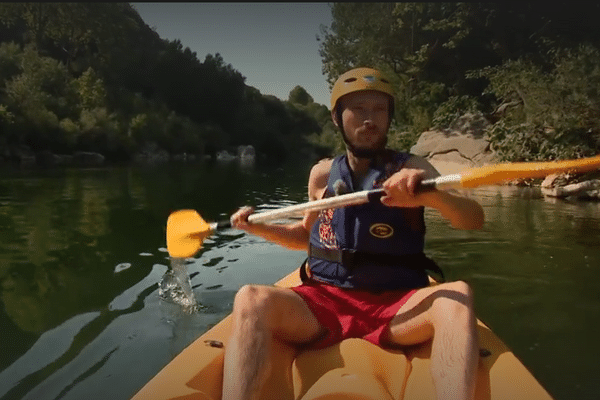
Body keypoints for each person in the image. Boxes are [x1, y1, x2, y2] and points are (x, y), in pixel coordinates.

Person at [223, 67, 485, 400]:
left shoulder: (412, 168)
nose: (369, 119)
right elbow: (305, 238)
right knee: (250, 297)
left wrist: (429, 195)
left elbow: (472, 219)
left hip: (398, 304)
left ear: (389, 118)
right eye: (358, 108)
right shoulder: (321, 174)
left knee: (458, 295)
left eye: (379, 109)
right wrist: (257, 227)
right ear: (337, 116)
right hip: (326, 302)